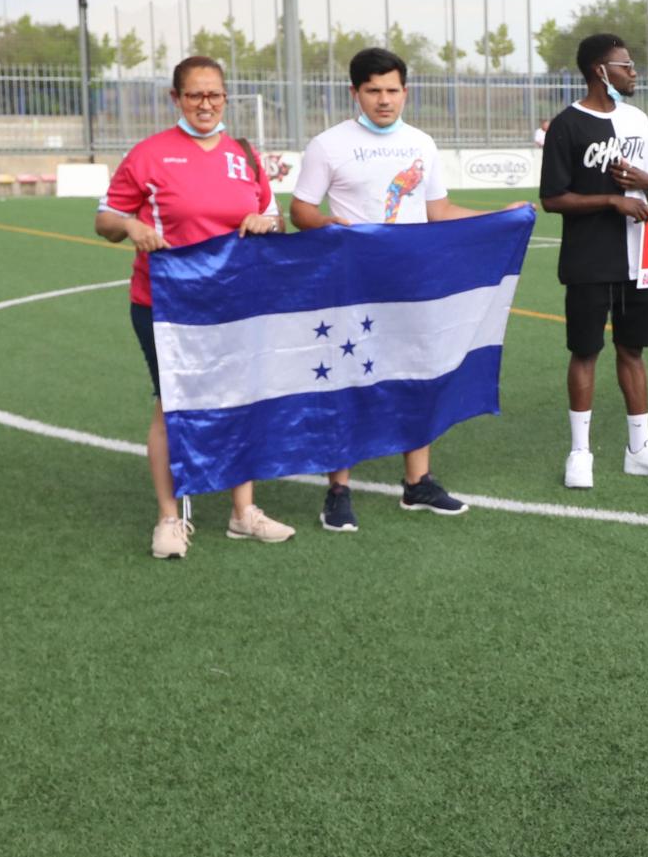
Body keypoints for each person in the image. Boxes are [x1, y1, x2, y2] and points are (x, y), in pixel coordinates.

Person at [290, 46, 521, 531]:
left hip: (413, 282)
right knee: (348, 374)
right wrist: (333, 227)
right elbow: (301, 209)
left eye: (392, 90)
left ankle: (417, 483)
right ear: (355, 92)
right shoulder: (328, 145)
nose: (383, 100)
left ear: (405, 91)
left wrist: (500, 217)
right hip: (353, 284)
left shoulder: (421, 143)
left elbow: (438, 212)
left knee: (422, 369)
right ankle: (338, 488)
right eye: (373, 90)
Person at [94, 55, 295, 556]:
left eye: (214, 95)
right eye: (194, 95)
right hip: (165, 303)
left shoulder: (244, 154)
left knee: (240, 399)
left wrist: (264, 222)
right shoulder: (149, 155)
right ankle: (168, 518)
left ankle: (243, 511)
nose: (205, 104)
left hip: (235, 301)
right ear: (176, 99)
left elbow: (274, 218)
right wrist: (131, 226)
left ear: (226, 98)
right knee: (172, 405)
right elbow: (105, 218)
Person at [540, 33, 648, 485]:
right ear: (599, 71)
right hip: (590, 258)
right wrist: (610, 202)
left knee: (633, 350)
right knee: (585, 351)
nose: (633, 72)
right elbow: (552, 199)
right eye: (625, 65)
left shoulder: (639, 120)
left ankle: (639, 448)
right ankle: (580, 453)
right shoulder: (567, 124)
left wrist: (647, 183)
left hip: (644, 256)